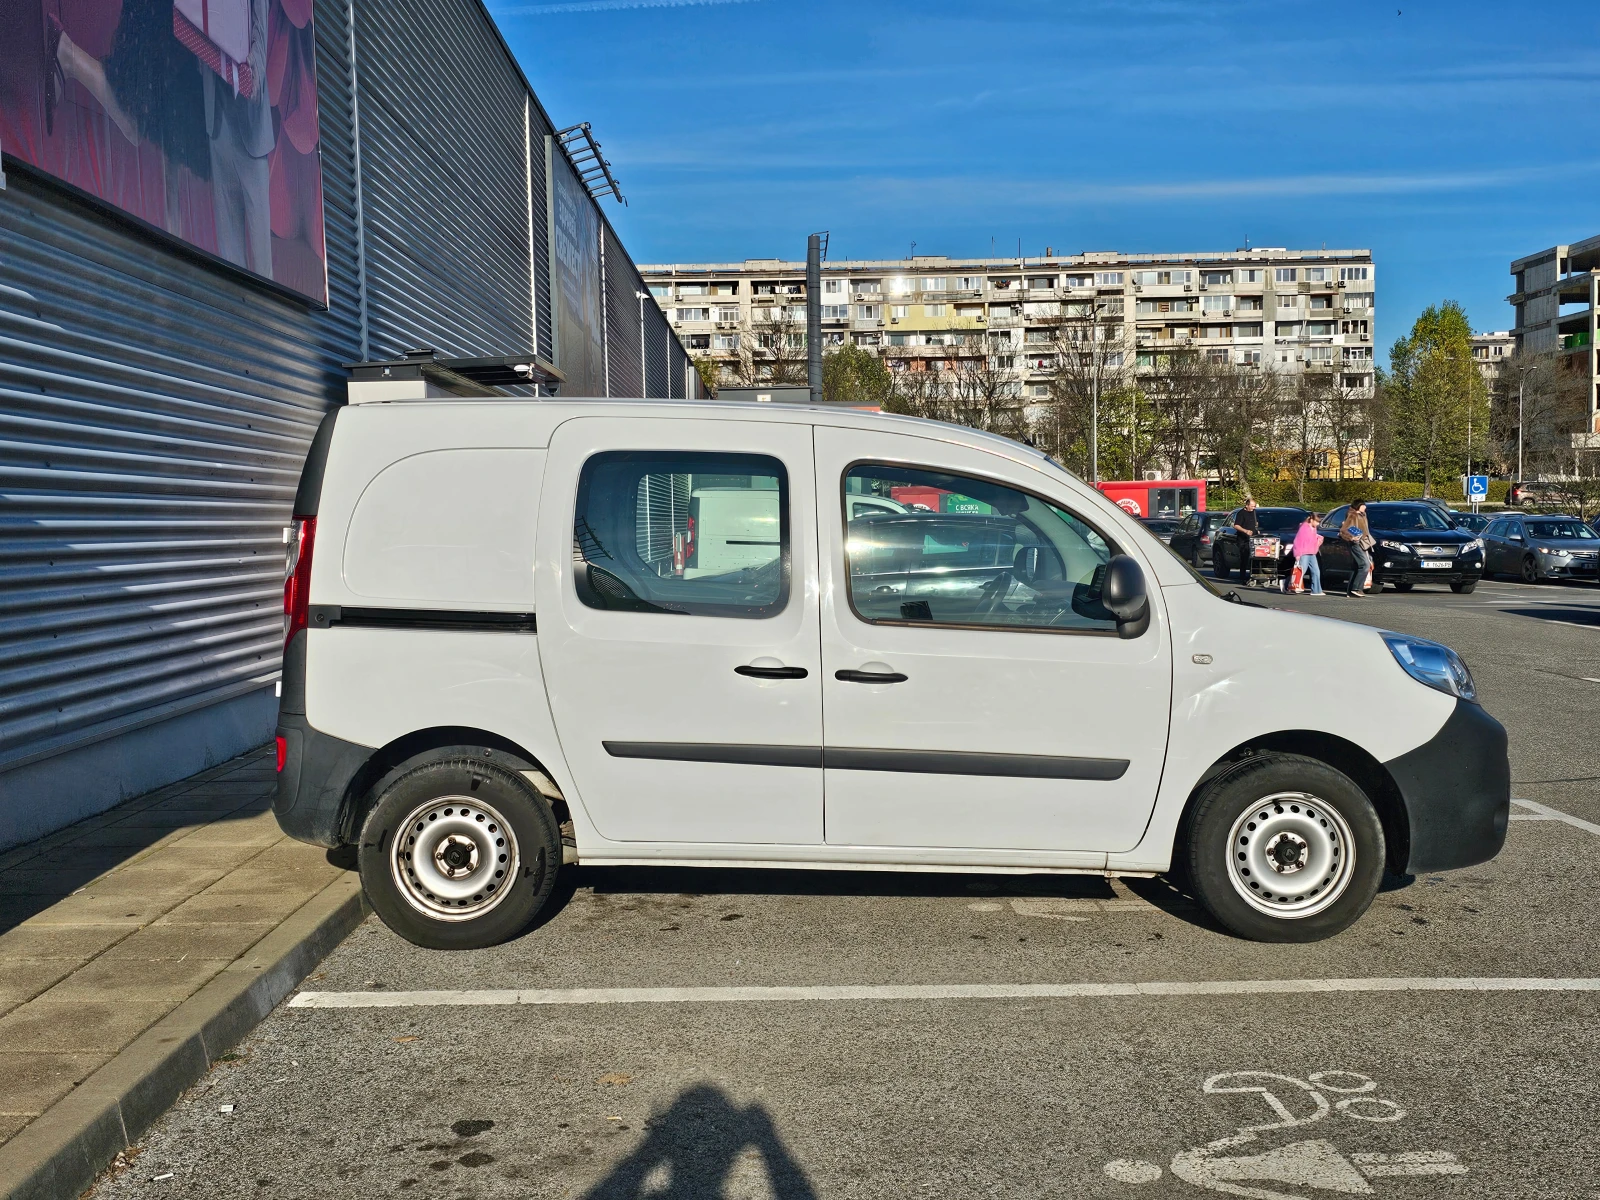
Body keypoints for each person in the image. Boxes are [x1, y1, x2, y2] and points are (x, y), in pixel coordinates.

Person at [1341, 500, 1372, 599]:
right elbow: (1343, 530)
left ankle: (1350, 591)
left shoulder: (1363, 515)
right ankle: (1356, 589)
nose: (1365, 507)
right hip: (1355, 543)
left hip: (1363, 542)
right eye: (1363, 505)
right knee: (1365, 565)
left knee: (1357, 566)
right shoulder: (1352, 515)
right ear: (1358, 506)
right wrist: (1351, 538)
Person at [1291, 512, 1324, 595]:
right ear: (1311, 520)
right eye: (1316, 521)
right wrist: (1297, 554)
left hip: (1312, 552)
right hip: (1304, 553)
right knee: (1301, 571)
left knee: (1316, 571)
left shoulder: (1313, 528)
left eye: (1319, 522)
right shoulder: (1304, 528)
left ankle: (1316, 590)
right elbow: (1298, 541)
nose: (1318, 523)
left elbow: (1311, 539)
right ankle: (1287, 583)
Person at [1229, 498, 1261, 585]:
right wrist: (1246, 531)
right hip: (1243, 539)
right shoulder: (1241, 513)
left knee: (1256, 557)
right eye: (1252, 506)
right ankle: (1242, 577)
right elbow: (1236, 525)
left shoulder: (1254, 512)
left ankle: (1255, 576)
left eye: (1254, 506)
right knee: (1244, 558)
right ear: (1247, 505)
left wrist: (1257, 529)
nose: (1254, 508)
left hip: (1253, 538)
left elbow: (1255, 523)